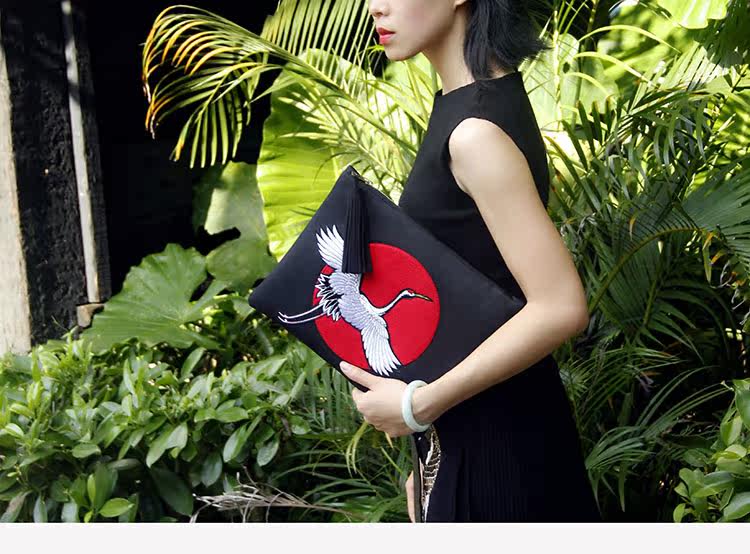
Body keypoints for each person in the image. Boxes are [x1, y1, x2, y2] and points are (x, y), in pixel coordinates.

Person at [339, 0, 603, 522]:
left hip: (502, 451)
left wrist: (418, 407)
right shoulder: (467, 102)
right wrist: (431, 456)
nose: (375, 6)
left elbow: (560, 306)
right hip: (474, 437)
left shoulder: (474, 132)